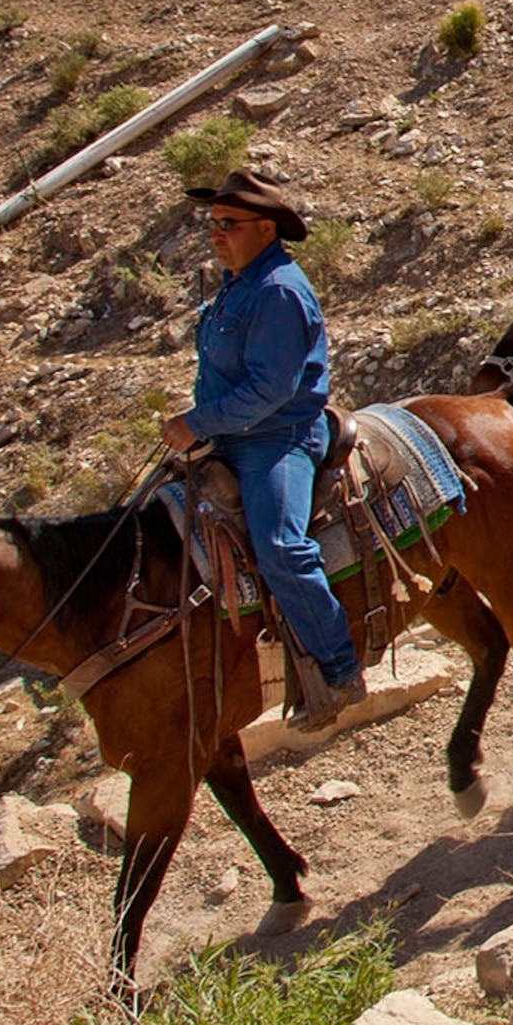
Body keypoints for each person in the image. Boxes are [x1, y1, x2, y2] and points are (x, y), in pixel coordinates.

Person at [161, 168, 363, 729]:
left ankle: (340, 668)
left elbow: (270, 391)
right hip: (232, 433)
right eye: (213, 224)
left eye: (229, 224)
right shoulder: (241, 281)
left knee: (278, 545)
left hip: (277, 438)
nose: (216, 234)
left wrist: (198, 422)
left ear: (267, 230)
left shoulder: (276, 291)